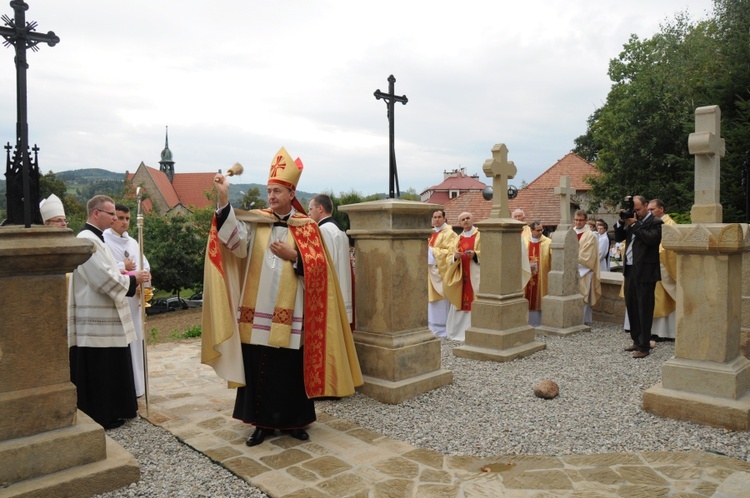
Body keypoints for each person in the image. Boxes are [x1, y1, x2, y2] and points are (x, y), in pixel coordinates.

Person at [202, 146, 363, 447]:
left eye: (277, 191)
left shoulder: (308, 227)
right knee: (260, 365)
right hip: (258, 307)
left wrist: (294, 256)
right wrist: (224, 199)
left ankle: (294, 422)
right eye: (269, 191)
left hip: (295, 312)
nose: (271, 196)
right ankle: (260, 424)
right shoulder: (256, 221)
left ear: (291, 194)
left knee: (289, 368)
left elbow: (320, 270)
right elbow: (234, 243)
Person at [68, 195, 151, 429]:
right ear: (96, 213)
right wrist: (133, 278)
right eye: (111, 214)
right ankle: (100, 414)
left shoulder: (95, 238)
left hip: (106, 315)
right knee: (100, 368)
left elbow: (110, 269)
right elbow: (103, 277)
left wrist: (127, 275)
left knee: (111, 364)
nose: (115, 218)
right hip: (95, 319)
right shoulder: (86, 240)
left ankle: (115, 410)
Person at [104, 203, 151, 398]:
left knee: (137, 341)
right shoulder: (103, 240)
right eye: (120, 218)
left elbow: (145, 265)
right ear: (112, 218)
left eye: (127, 219)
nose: (124, 222)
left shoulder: (133, 242)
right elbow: (103, 267)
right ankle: (125, 388)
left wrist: (145, 282)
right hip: (116, 301)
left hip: (134, 301)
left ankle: (138, 386)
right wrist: (124, 265)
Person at [614, 195, 663, 358]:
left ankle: (645, 346)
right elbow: (619, 237)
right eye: (633, 210)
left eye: (638, 210)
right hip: (630, 269)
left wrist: (634, 224)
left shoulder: (655, 222)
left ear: (646, 206)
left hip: (646, 272)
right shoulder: (631, 220)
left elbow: (651, 240)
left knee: (644, 308)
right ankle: (636, 340)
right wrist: (621, 222)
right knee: (632, 307)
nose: (636, 213)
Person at [308, 193, 353, 326]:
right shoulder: (338, 228)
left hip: (330, 293)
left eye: (310, 209)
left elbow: (322, 263)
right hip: (342, 287)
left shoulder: (323, 230)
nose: (308, 213)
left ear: (320, 209)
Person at [444, 211, 480, 341]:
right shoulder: (457, 238)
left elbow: (489, 252)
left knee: (476, 300)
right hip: (461, 275)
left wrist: (476, 255)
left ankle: (476, 333)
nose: (465, 221)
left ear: (472, 219)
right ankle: (459, 333)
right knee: (461, 301)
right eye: (463, 219)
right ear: (459, 223)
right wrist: (455, 256)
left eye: (468, 218)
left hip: (476, 275)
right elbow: (448, 257)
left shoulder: (481, 235)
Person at [648, 198, 676, 343]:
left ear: (661, 209)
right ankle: (654, 331)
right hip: (651, 268)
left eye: (652, 209)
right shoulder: (650, 223)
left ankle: (668, 332)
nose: (649, 212)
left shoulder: (670, 225)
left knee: (664, 299)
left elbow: (668, 249)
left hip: (661, 267)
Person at [427, 210, 459, 338]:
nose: (436, 220)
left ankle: (442, 330)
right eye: (434, 217)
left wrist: (430, 251)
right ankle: (431, 327)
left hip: (440, 272)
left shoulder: (450, 234)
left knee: (441, 302)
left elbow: (450, 253)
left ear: (445, 219)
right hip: (429, 272)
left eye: (439, 217)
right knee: (430, 303)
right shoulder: (430, 233)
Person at [573, 210, 601, 325]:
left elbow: (589, 256)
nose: (578, 222)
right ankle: (572, 319)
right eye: (576, 220)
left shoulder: (591, 235)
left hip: (584, 271)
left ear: (585, 221)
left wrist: (573, 263)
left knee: (583, 295)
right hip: (571, 270)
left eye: (580, 220)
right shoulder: (570, 232)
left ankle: (582, 320)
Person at [524, 221, 551, 326]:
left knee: (539, 298)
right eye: (538, 230)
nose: (540, 232)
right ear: (531, 230)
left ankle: (540, 323)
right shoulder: (524, 242)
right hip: (527, 275)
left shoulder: (548, 242)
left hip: (541, 277)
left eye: (541, 230)